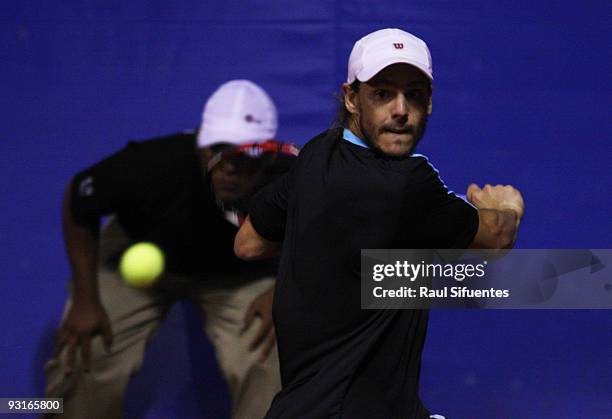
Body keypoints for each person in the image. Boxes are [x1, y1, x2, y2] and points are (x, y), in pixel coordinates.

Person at [234, 29, 525, 418]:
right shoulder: (409, 183)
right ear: (352, 98)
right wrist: (506, 206)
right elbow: (497, 240)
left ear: (430, 102)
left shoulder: (317, 154)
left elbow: (249, 242)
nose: (401, 109)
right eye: (383, 93)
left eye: (414, 94)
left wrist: (331, 249)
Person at [45, 80, 287, 419]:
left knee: (273, 352)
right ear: (200, 145)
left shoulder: (292, 176)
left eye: (245, 154)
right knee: (89, 349)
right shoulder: (150, 164)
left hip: (242, 276)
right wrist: (86, 300)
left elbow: (325, 235)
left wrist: (282, 289)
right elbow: (78, 197)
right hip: (136, 254)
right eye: (218, 148)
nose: (230, 165)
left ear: (267, 155)